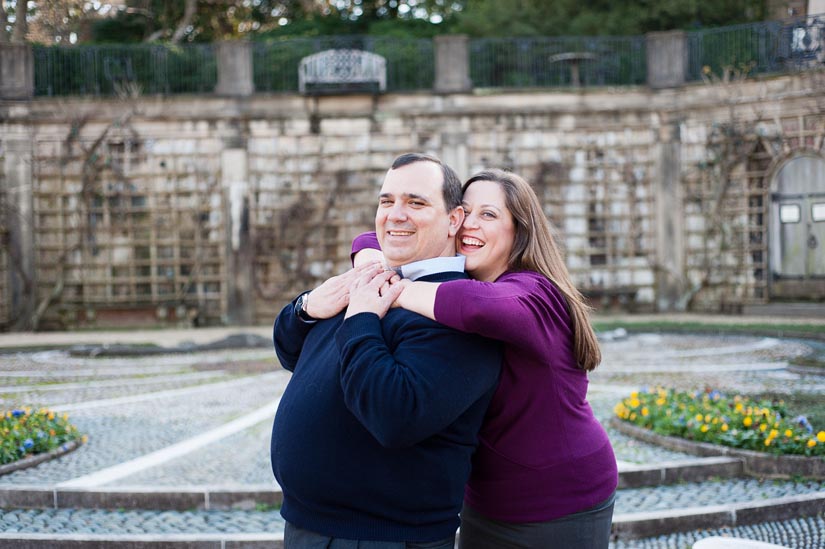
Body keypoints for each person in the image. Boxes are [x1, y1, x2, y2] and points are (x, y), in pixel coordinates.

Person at [351, 168, 618, 548]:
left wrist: (385, 285)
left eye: (489, 215)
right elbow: (369, 238)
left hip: (561, 495)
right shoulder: (471, 282)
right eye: (465, 213)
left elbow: (476, 309)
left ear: (520, 231)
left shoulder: (535, 293)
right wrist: (374, 260)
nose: (468, 226)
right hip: (485, 498)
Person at [270, 153, 502, 548]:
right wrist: (305, 308)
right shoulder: (375, 277)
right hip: (307, 525)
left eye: (416, 202)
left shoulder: (462, 310)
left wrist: (360, 320)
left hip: (384, 536)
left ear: (454, 219)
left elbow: (394, 415)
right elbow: (295, 354)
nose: (395, 215)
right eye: (386, 201)